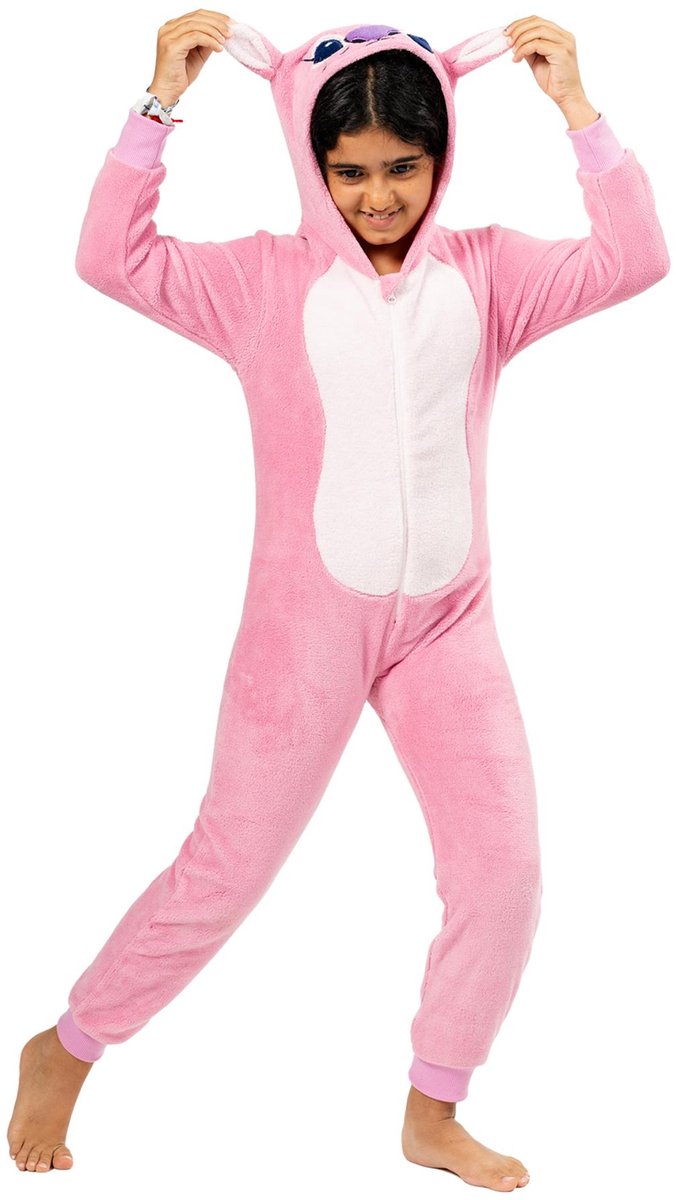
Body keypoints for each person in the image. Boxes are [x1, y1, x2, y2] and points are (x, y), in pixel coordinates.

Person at [7, 10, 670, 1186]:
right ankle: (70, 1044)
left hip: (447, 627)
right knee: (226, 870)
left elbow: (633, 259)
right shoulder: (260, 281)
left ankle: (432, 1107)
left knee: (504, 873)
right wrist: (160, 103)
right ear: (309, 163)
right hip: (302, 629)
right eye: (348, 172)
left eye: (402, 168)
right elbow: (112, 259)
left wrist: (576, 107)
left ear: (441, 154)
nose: (377, 196)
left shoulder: (488, 273)